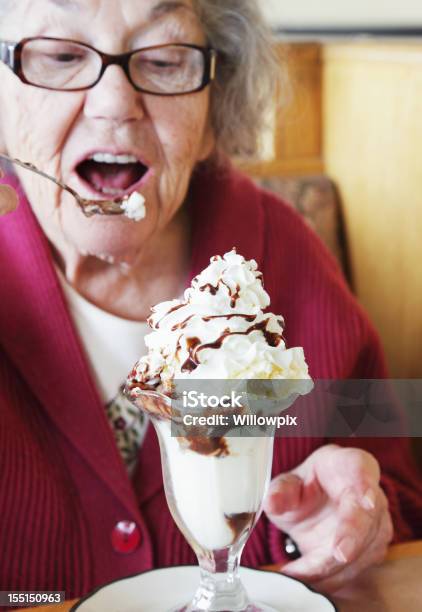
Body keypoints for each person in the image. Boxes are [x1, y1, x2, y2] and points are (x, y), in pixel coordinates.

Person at [0, 0, 421, 600]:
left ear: (212, 113)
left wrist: (337, 524)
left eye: (166, 61)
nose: (115, 102)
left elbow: (398, 506)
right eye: (61, 56)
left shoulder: (287, 258)